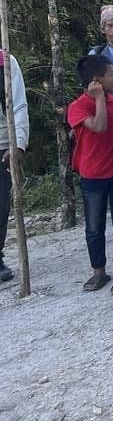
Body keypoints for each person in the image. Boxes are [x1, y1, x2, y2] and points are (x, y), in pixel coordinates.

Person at [68, 55, 113, 295]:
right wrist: (98, 100)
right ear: (97, 80)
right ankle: (99, 270)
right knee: (94, 226)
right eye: (110, 74)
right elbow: (99, 127)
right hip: (93, 175)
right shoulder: (77, 107)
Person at [0, 50, 30, 283]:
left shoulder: (5, 61)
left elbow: (18, 104)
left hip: (1, 143)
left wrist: (18, 142)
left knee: (1, 203)